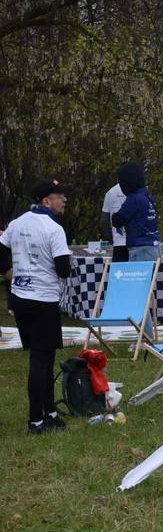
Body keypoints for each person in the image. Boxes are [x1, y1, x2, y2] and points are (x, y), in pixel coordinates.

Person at [0, 179, 72, 434]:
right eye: (60, 196)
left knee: (44, 357)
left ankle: (49, 411)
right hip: (42, 298)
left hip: (20, 297)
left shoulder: (18, 223)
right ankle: (36, 421)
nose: (64, 200)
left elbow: (0, 250)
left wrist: (11, 273)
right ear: (46, 201)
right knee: (41, 361)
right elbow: (63, 270)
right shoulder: (53, 228)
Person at [112, 162, 161, 262]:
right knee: (150, 277)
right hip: (153, 246)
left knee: (137, 277)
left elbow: (117, 220)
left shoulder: (134, 198)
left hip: (140, 249)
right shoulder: (148, 196)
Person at [100, 181, 129, 262]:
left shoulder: (111, 192)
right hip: (136, 243)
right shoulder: (137, 191)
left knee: (119, 272)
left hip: (118, 242)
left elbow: (104, 220)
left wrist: (111, 238)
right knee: (136, 273)